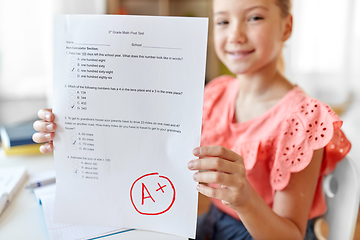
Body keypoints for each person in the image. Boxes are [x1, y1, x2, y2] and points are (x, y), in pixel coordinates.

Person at [33, 0, 351, 239]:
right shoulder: (217, 93)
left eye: (254, 17)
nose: (236, 34)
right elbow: (156, 147)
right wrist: (74, 131)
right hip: (213, 222)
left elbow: (291, 235)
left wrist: (245, 200)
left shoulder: (304, 118)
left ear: (286, 26)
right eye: (223, 21)